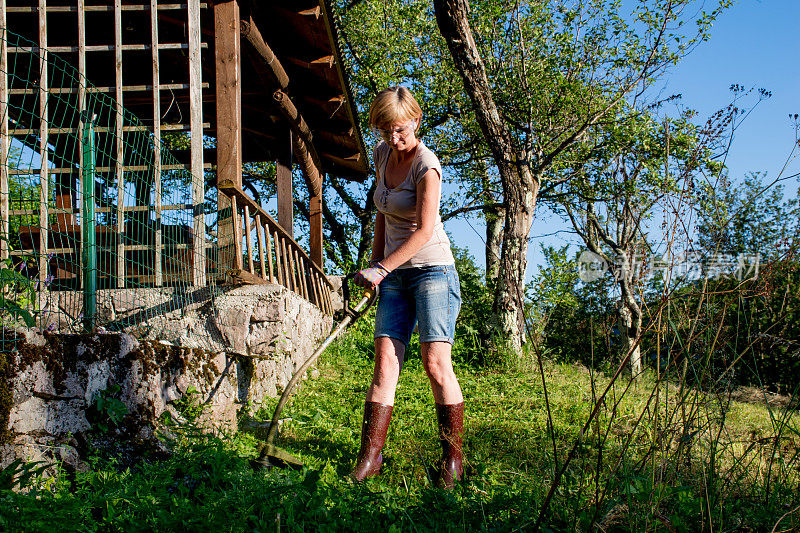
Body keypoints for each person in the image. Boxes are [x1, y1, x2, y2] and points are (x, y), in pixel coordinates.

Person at [351, 86, 464, 488]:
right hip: (393, 273)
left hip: (432, 270)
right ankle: (371, 458)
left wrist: (381, 268)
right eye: (384, 131)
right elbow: (383, 213)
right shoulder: (382, 155)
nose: (393, 138)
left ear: (415, 121)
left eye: (399, 130)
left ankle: (453, 460)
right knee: (384, 363)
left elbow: (424, 230)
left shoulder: (426, 166)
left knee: (435, 364)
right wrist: (374, 266)